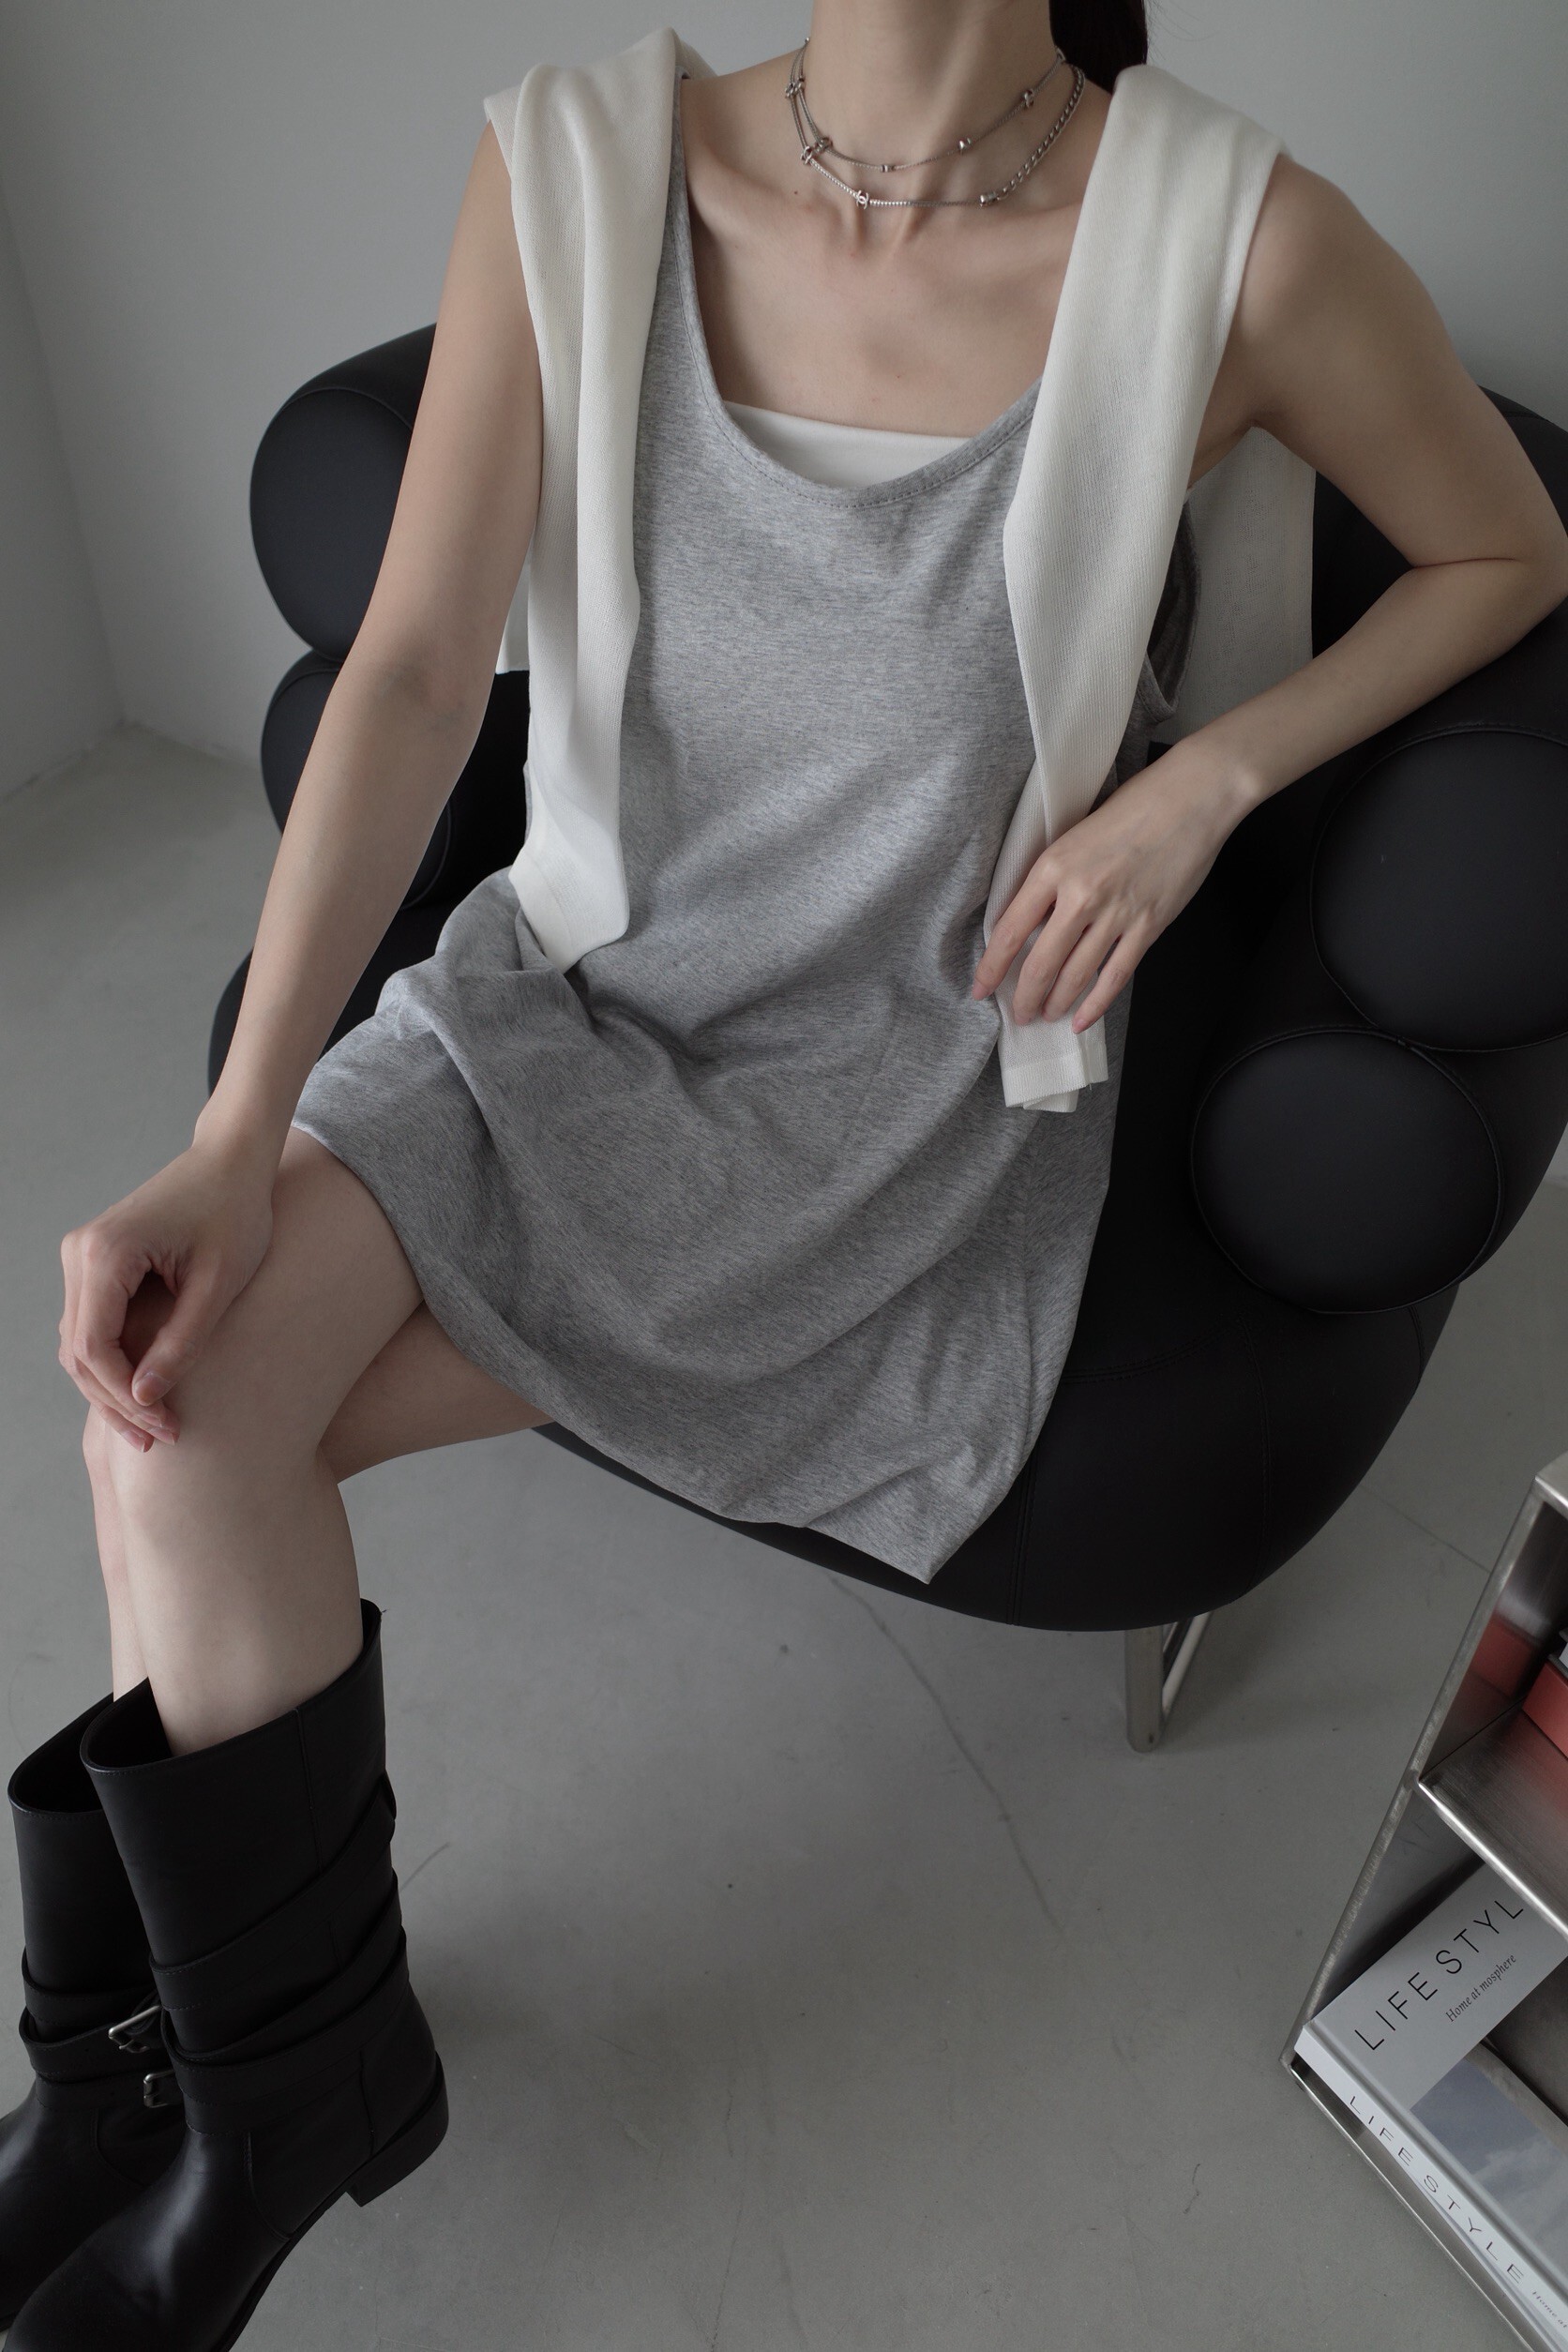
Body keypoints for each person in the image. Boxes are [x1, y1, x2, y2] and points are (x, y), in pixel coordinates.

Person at [7, 3, 1568, 2345]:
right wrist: (238, 1134)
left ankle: (230, 2095)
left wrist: (1203, 778)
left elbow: (1502, 549)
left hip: (891, 1100)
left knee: (187, 1449)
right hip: (562, 993)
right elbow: (416, 670)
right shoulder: (573, 169)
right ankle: (190, 2083)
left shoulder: (1227, 243)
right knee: (174, 1401)